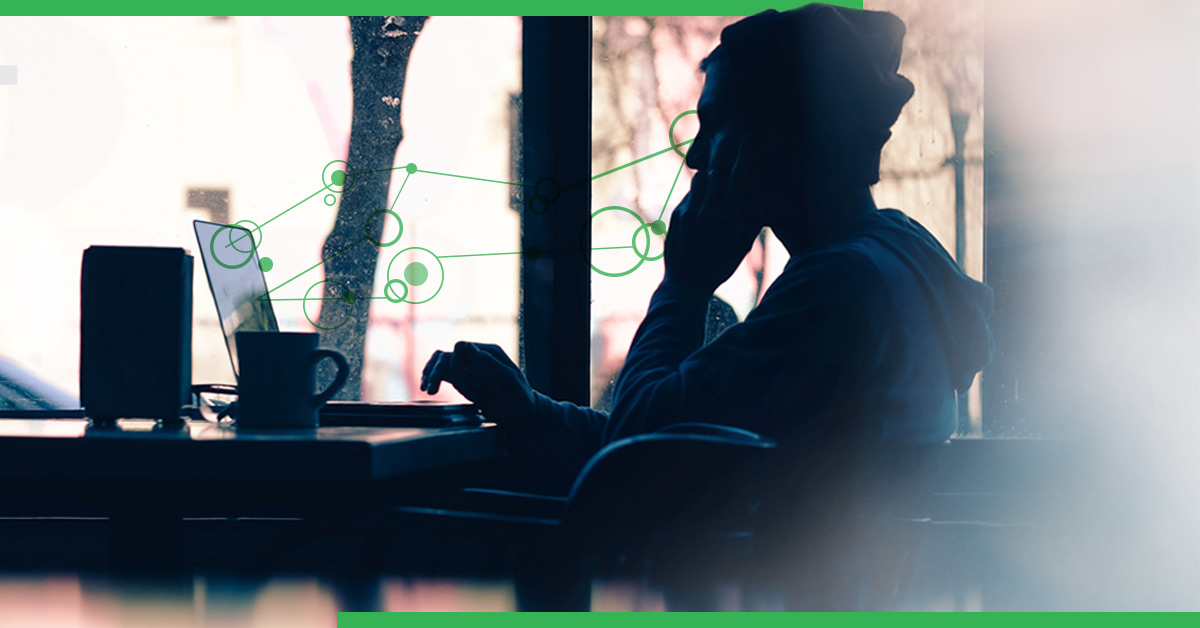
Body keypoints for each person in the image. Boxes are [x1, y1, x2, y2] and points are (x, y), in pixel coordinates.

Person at [420, 3, 994, 482]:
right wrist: (528, 409)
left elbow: (635, 457)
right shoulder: (893, 255)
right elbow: (673, 430)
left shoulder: (835, 290)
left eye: (715, 124)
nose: (695, 156)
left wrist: (685, 285)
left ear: (785, 135)